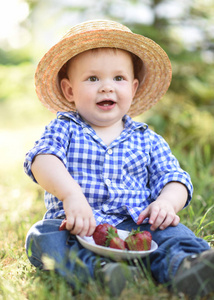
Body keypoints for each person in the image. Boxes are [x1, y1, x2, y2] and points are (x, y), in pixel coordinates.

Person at [24, 20, 214, 298]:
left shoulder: (146, 138)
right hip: (79, 226)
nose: (106, 87)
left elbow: (174, 178)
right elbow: (43, 159)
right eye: (92, 78)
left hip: (140, 227)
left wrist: (165, 203)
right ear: (69, 90)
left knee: (174, 234)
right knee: (43, 237)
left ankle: (186, 268)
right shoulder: (64, 127)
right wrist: (71, 195)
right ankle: (102, 272)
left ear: (134, 87)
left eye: (118, 78)